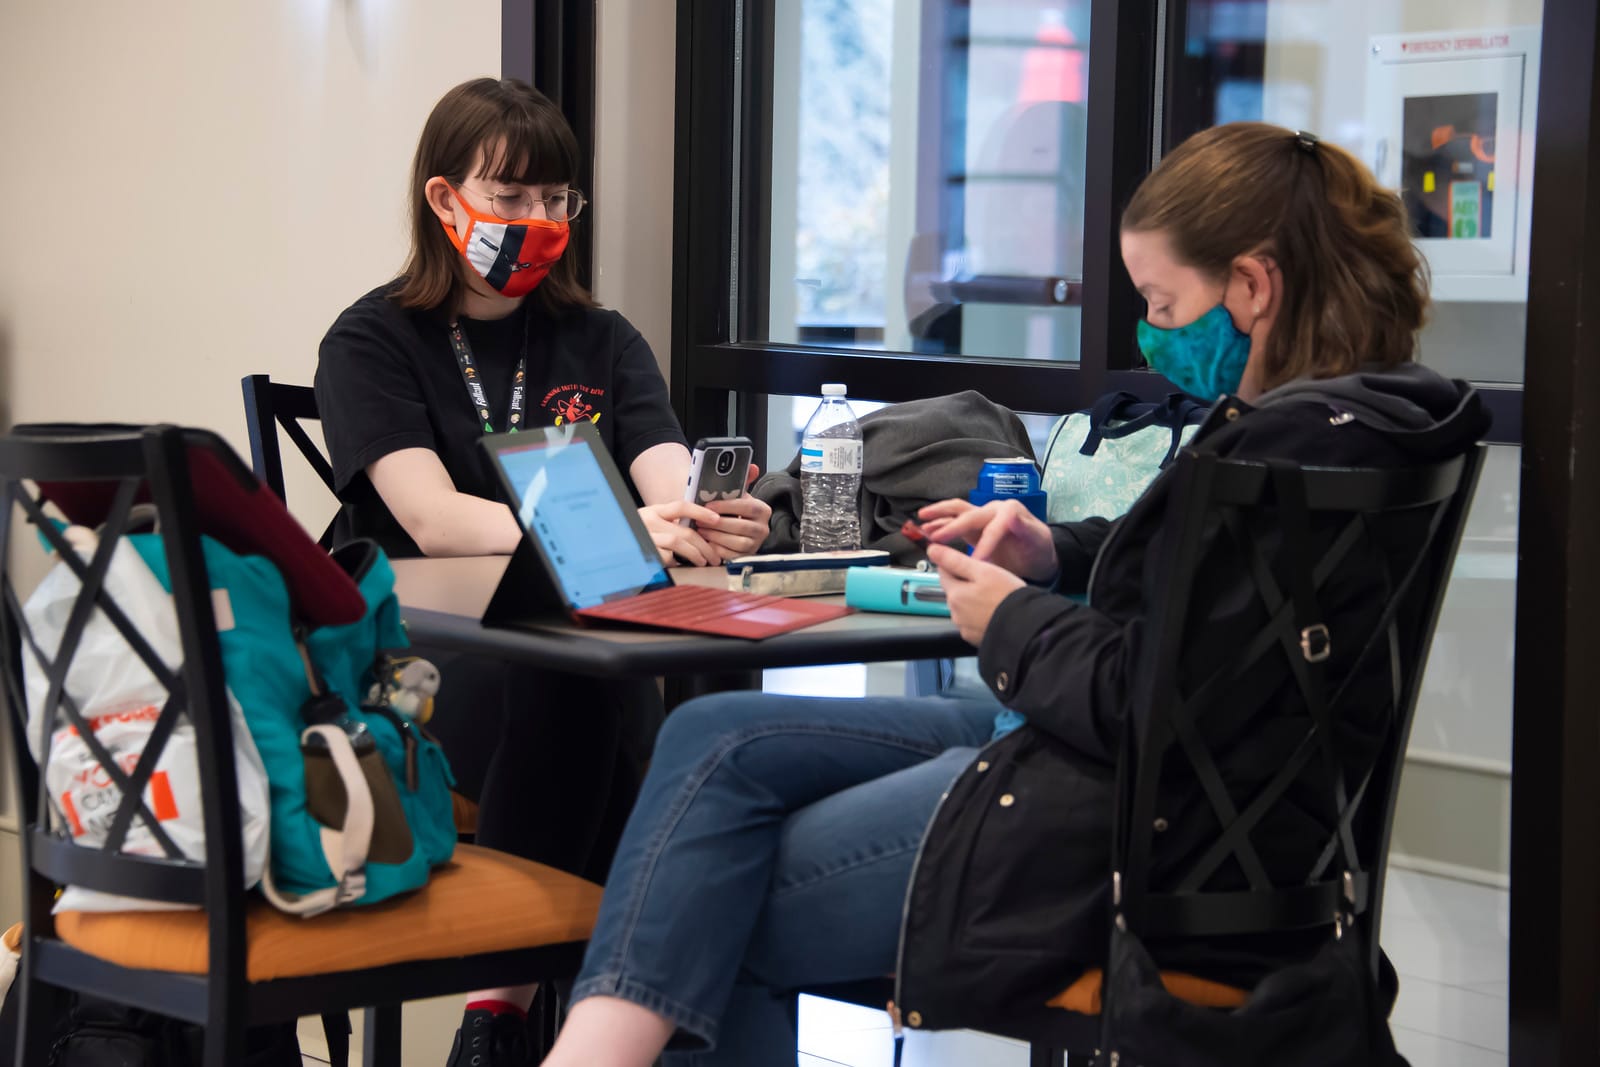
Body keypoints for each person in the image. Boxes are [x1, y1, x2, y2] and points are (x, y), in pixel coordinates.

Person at [533, 122, 1489, 1066]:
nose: (1151, 335)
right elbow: (1212, 599)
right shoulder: (1371, 428)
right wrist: (1054, 552)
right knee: (715, 737)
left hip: (1131, 828)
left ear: (1253, 284)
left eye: (1161, 301)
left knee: (708, 898)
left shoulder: (1283, 454)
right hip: (1144, 787)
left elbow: (1143, 696)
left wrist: (1011, 622)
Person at [312, 78, 772, 1066]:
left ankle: (504, 1026)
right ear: (444, 200)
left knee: (637, 704)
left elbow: (661, 471)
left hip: (578, 657)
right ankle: (520, 1012)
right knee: (610, 722)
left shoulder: (599, 338)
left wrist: (701, 513)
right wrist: (615, 528)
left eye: (557, 199)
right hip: (415, 670)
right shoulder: (372, 338)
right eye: (510, 196)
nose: (537, 220)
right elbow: (431, 518)